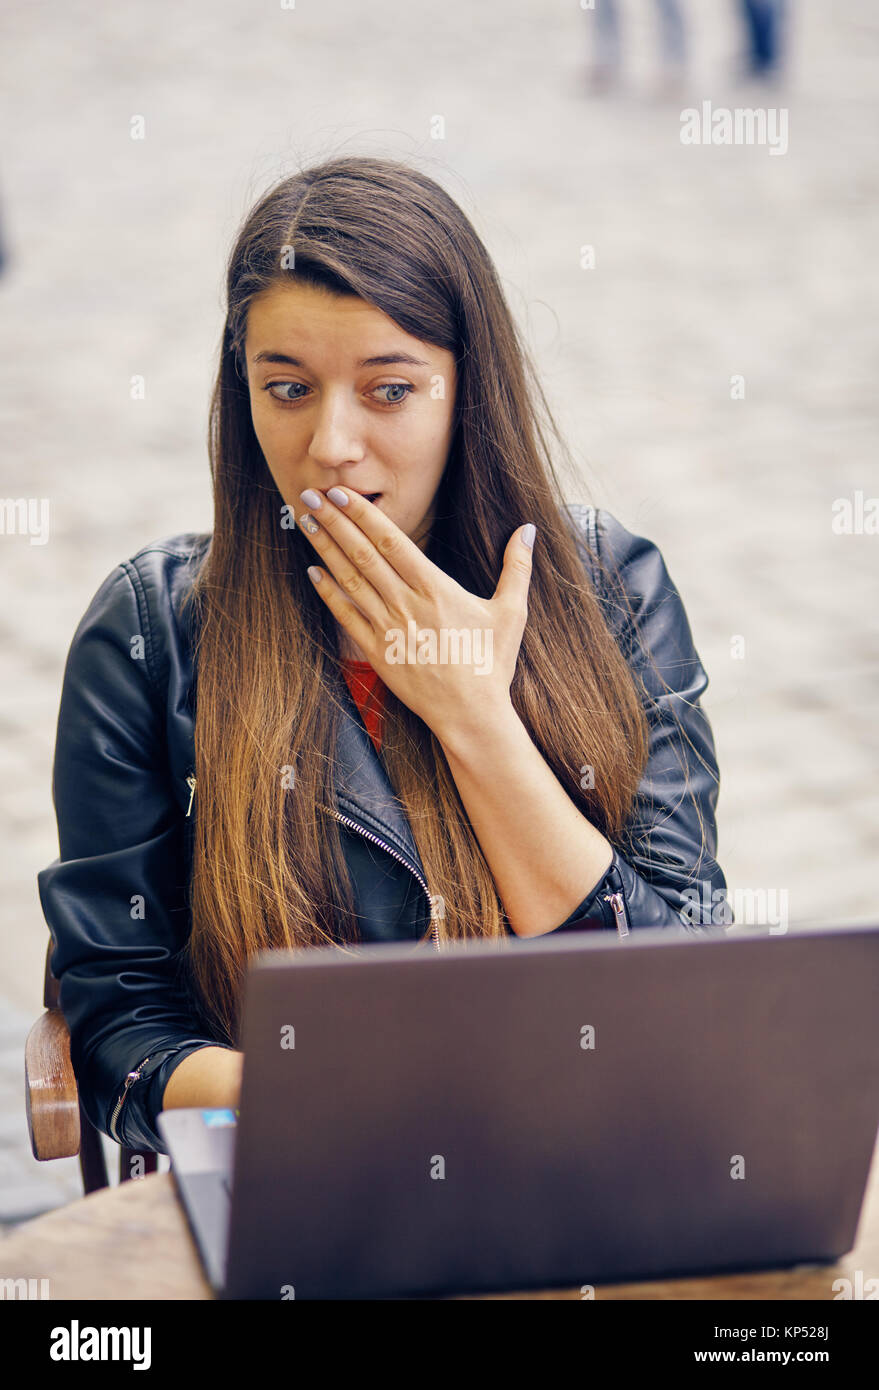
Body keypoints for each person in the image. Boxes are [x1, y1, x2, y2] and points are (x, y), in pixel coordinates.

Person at [37, 156, 729, 1154]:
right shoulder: (150, 633)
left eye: (390, 390)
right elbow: (119, 1027)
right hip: (302, 1174)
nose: (331, 445)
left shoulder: (611, 592)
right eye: (286, 388)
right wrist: (354, 1090)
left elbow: (684, 996)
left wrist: (474, 718)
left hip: (589, 1155)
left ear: (466, 392)